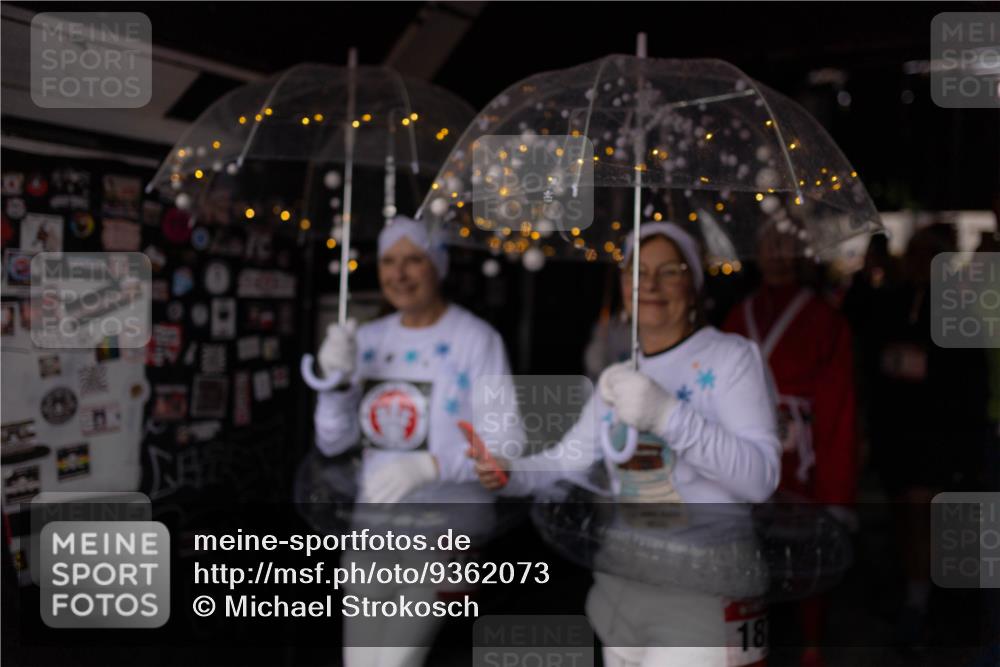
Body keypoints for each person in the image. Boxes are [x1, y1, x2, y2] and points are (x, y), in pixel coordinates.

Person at [472, 222, 781, 667]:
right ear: (623, 285)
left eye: (669, 270)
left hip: (704, 599)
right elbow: (568, 459)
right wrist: (509, 471)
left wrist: (666, 415)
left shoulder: (731, 358)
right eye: (638, 272)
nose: (650, 285)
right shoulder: (619, 374)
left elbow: (760, 479)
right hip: (621, 592)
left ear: (693, 282)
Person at [313, 215, 522, 667]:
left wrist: (433, 466)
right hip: (372, 527)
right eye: (389, 261)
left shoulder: (477, 340)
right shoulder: (364, 340)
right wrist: (333, 383)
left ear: (438, 265)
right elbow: (333, 442)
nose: (399, 274)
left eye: (413, 260)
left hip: (445, 530)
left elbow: (506, 442)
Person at [722, 219, 859, 667]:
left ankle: (811, 645)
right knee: (744, 557)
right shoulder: (736, 315)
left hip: (804, 458)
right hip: (746, 449)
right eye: (769, 244)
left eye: (787, 244)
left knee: (805, 558)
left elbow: (839, 408)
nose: (778, 254)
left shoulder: (826, 321)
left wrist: (836, 489)